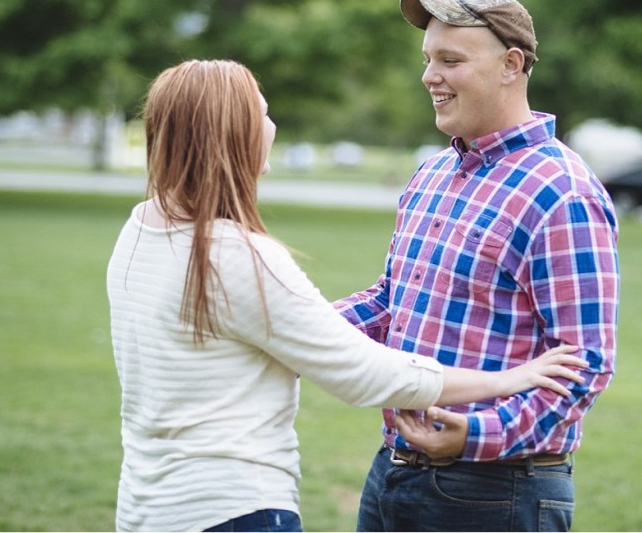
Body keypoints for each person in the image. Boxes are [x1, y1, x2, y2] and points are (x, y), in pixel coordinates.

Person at [106, 59, 589, 532]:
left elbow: (310, 328)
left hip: (147, 507)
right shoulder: (236, 255)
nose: (271, 127)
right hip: (231, 510)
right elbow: (362, 372)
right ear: (234, 131)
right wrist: (507, 380)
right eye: (264, 113)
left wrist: (307, 332)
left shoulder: (141, 230)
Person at [334, 0, 620, 532]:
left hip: (495, 492)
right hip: (393, 471)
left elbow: (585, 363)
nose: (430, 77)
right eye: (428, 60)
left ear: (511, 64)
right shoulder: (432, 173)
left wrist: (478, 435)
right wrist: (292, 325)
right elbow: (391, 301)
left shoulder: (562, 191)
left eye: (451, 60)